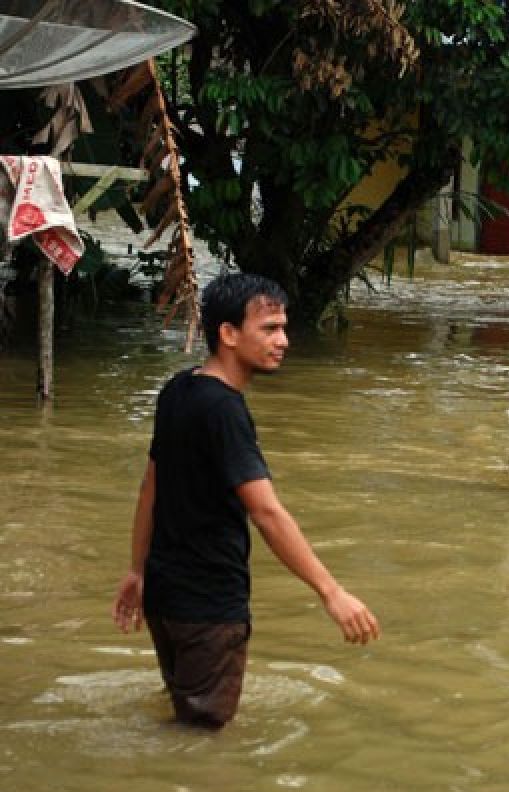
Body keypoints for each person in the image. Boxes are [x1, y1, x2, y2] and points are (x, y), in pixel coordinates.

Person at [111, 273, 380, 728]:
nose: (284, 341)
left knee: (184, 721)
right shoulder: (224, 411)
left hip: (165, 597)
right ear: (228, 334)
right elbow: (267, 512)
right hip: (209, 606)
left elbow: (149, 488)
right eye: (270, 329)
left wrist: (138, 569)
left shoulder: (178, 390)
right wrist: (331, 593)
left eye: (284, 327)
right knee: (203, 743)